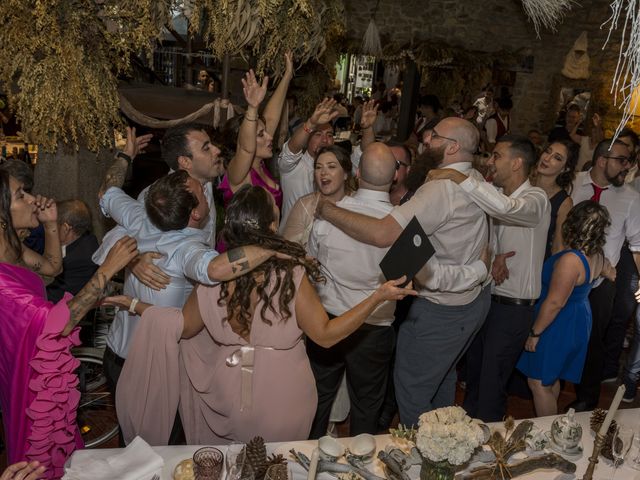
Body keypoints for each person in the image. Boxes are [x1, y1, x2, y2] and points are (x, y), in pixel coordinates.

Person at [107, 185, 416, 445]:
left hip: (226, 394)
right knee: (277, 468)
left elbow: (181, 327)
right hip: (285, 396)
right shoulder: (290, 274)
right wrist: (378, 296)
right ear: (271, 226)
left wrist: (134, 305)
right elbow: (325, 334)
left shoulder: (214, 277)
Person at [316, 117, 492, 426]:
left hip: (441, 308)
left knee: (411, 390)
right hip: (464, 304)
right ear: (397, 175)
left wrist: (327, 209)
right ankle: (443, 444)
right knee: (436, 380)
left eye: (433, 136)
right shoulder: (473, 178)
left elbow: (384, 234)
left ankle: (427, 457)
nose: (425, 137)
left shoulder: (436, 193)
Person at [0, 170, 137, 478]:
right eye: (21, 195)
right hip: (28, 374)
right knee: (40, 450)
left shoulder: (11, 246)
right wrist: (108, 270)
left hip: (40, 362)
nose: (34, 199)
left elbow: (50, 268)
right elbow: (56, 325)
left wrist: (50, 224)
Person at [517, 201, 613, 416]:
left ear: (573, 223)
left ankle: (549, 433)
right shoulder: (597, 254)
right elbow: (610, 271)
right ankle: (553, 427)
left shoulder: (571, 260)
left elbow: (555, 302)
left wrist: (535, 333)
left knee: (538, 382)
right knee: (551, 377)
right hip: (578, 317)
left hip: (560, 321)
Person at [278, 98, 376, 228]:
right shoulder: (294, 166)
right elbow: (291, 150)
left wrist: (368, 128)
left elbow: (365, 153)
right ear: (307, 139)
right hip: (294, 241)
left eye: (329, 135)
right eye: (318, 134)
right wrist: (311, 124)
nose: (325, 140)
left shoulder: (339, 167)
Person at [218, 55, 294, 210]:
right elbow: (246, 149)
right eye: (261, 135)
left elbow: (271, 118)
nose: (269, 136)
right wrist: (252, 108)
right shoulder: (238, 172)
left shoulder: (259, 163)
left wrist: (287, 75)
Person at [281, 145, 353, 248]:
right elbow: (289, 250)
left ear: (345, 174)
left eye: (331, 166)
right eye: (318, 167)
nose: (323, 173)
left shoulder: (358, 203)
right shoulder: (305, 205)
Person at [531, 139, 579, 259]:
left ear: (565, 169)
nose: (547, 158)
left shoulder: (564, 202)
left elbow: (558, 246)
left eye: (557, 158)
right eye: (547, 152)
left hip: (536, 263)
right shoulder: (522, 181)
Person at [46, 200, 99, 303]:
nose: (49, 228)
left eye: (54, 224)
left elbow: (51, 296)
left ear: (65, 228)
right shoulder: (86, 238)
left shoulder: (79, 260)